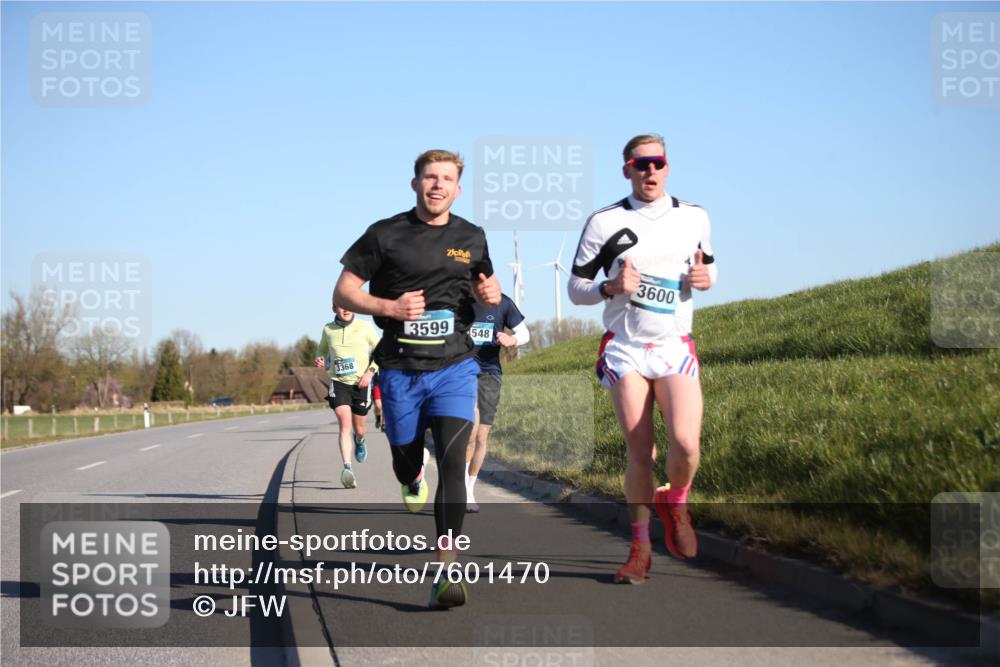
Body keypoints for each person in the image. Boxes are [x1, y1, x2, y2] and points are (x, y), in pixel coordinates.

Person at [334, 149, 501, 609]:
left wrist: (490, 292)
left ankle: (447, 569)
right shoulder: (385, 234)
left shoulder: (471, 236)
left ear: (458, 189)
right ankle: (410, 477)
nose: (437, 185)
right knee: (407, 460)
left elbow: (484, 286)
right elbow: (343, 290)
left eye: (447, 178)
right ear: (415, 184)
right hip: (400, 370)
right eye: (430, 177)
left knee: (451, 460)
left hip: (454, 366)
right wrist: (389, 307)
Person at [568, 134, 717, 584]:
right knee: (641, 450)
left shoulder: (694, 216)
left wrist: (705, 278)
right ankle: (640, 548)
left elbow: (708, 269)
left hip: (673, 345)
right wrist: (610, 287)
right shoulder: (604, 222)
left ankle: (676, 501)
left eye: (658, 162)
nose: (650, 171)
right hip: (625, 347)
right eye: (640, 164)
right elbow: (575, 289)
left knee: (686, 444)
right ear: (627, 170)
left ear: (667, 167)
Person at [465, 293, 529, 512]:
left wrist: (513, 340)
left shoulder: (503, 303)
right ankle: (460, 488)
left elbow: (524, 333)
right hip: (464, 371)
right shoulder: (460, 298)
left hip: (490, 373)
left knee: (481, 437)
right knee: (470, 432)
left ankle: (469, 489)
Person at [314, 302, 381, 489]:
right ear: (334, 309)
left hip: (361, 384)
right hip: (338, 382)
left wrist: (370, 373)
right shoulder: (328, 329)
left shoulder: (365, 327)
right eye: (341, 306)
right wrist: (320, 358)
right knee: (344, 423)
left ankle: (359, 440)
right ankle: (347, 469)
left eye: (348, 305)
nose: (345, 309)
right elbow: (321, 350)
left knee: (359, 429)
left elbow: (381, 351)